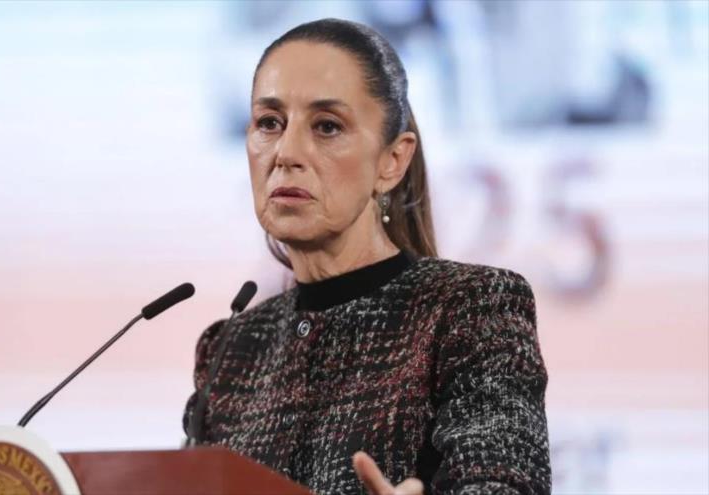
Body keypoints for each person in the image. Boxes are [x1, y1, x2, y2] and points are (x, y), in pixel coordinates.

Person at [183, 18, 551, 495]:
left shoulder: (469, 308)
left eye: (327, 126)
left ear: (391, 161)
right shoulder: (231, 349)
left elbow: (502, 484)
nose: (286, 152)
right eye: (269, 123)